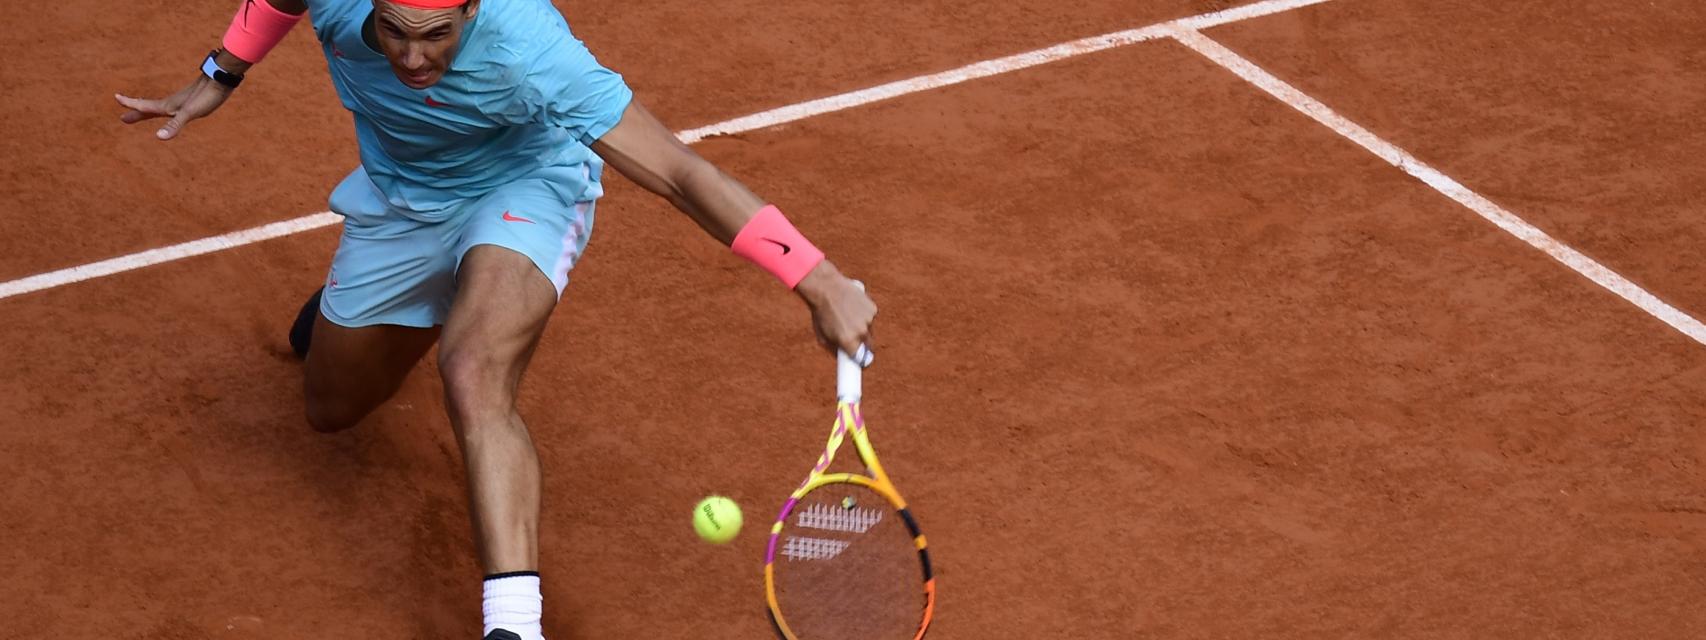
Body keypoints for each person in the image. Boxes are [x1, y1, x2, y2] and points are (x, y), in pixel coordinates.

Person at [115, 0, 878, 638]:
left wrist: (817, 278)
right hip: (401, 198)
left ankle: (513, 621)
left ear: (473, 8)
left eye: (438, 34)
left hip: (524, 187)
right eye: (393, 32)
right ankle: (404, 298)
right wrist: (223, 69)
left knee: (474, 369)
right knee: (330, 408)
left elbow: (681, 173)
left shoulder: (532, 48)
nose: (412, 60)